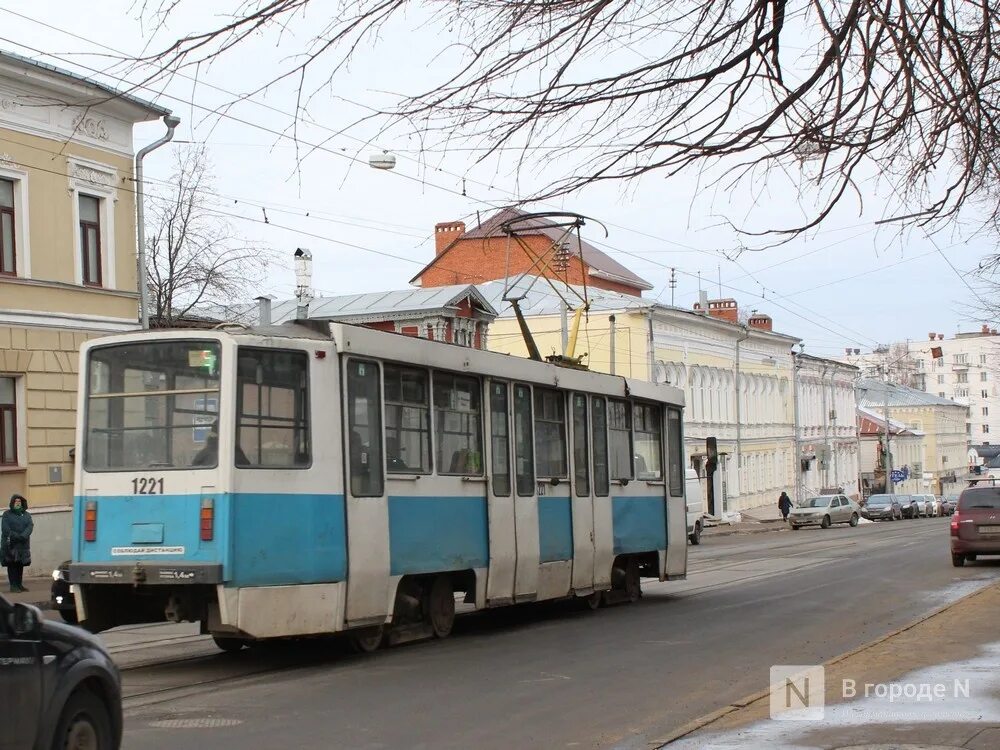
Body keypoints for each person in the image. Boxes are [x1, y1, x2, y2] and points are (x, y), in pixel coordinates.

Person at [1, 494, 33, 592]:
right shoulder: (7, 514)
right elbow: (5, 529)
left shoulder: (27, 515)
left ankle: (19, 585)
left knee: (20, 564)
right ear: (12, 503)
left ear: (22, 503)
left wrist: (23, 535)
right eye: (16, 501)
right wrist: (16, 536)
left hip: (23, 544)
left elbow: (30, 526)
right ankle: (13, 586)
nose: (18, 503)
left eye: (19, 501)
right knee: (12, 565)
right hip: (11, 544)